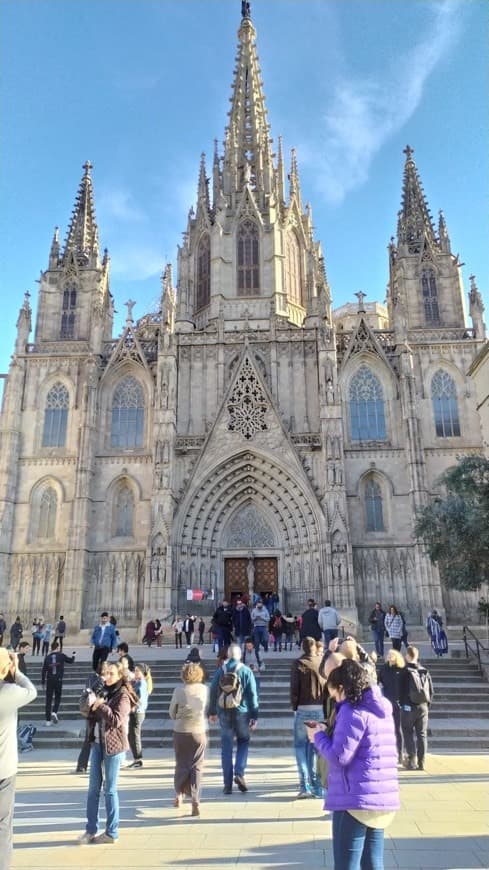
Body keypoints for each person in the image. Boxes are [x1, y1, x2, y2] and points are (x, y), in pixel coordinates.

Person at [307, 659, 400, 870]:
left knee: (346, 864)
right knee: (373, 863)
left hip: (355, 799)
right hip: (380, 797)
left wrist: (318, 736)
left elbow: (339, 756)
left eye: (334, 694)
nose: (334, 699)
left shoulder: (351, 711)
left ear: (342, 688)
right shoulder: (381, 708)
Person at [78, 660, 138, 844]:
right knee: (92, 790)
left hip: (113, 746)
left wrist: (99, 705)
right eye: (106, 673)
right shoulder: (101, 690)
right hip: (96, 743)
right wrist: (88, 701)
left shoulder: (124, 695)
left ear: (120, 675)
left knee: (110, 790)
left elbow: (117, 719)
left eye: (112, 673)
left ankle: (112, 832)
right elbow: (89, 713)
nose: (107, 677)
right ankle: (90, 829)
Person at [0, 647, 37, 867]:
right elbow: (31, 691)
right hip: (4, 770)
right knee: (3, 824)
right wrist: (15, 670)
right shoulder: (8, 692)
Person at [208, 642, 259, 795]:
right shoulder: (246, 670)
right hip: (242, 711)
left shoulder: (221, 670)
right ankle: (239, 772)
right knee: (244, 741)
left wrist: (212, 712)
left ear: (228, 655)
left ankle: (227, 784)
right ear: (240, 655)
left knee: (226, 747)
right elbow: (252, 695)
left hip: (224, 711)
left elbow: (212, 690)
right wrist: (254, 716)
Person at [169, 661, 209, 817]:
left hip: (181, 731)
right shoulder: (204, 689)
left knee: (181, 764)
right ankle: (195, 799)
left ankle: (179, 794)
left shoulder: (179, 690)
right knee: (196, 766)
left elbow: (172, 712)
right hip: (198, 731)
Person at [290, 636, 326, 799]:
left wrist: (294, 707)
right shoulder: (321, 663)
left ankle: (304, 785)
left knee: (300, 747)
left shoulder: (298, 664)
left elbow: (294, 689)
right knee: (316, 749)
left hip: (303, 708)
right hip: (319, 709)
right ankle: (317, 787)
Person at [400, 646, 433, 771]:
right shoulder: (425, 671)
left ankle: (411, 760)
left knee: (407, 732)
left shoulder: (405, 672)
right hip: (423, 706)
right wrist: (427, 706)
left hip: (408, 706)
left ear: (408, 656)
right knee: (422, 734)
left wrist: (402, 704)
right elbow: (431, 691)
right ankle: (422, 762)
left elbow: (400, 691)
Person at [75, 662, 109, 774]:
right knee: (101, 740)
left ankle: (81, 765)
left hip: (90, 713)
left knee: (88, 740)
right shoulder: (103, 681)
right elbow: (99, 694)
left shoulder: (90, 678)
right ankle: (103, 765)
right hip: (98, 713)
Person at [378, 649, 405, 763]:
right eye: (388, 655)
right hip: (387, 703)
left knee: (398, 729)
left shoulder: (401, 670)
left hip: (398, 703)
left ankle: (400, 753)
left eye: (391, 655)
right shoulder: (384, 669)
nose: (389, 656)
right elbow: (379, 682)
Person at [41, 640, 76, 725]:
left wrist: (43, 682)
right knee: (57, 697)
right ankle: (54, 712)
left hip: (49, 680)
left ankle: (48, 721)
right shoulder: (61, 655)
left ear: (51, 648)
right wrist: (74, 655)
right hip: (58, 680)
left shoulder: (47, 657)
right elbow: (70, 661)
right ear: (58, 648)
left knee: (48, 700)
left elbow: (43, 670)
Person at [127, 663, 152, 769]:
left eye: (138, 671)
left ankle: (138, 759)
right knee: (132, 735)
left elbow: (140, 699)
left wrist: (134, 707)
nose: (135, 672)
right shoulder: (137, 682)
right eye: (135, 670)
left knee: (135, 736)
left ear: (143, 673)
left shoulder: (141, 683)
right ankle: (136, 758)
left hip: (137, 712)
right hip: (136, 712)